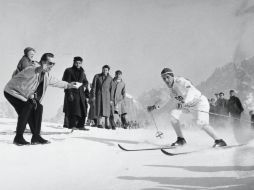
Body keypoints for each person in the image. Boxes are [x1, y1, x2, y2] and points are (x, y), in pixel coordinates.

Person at [4, 53, 79, 145]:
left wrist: (68, 85)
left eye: (53, 64)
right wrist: (39, 69)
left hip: (24, 95)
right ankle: (18, 138)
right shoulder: (32, 68)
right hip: (12, 92)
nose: (52, 66)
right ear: (43, 62)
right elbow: (32, 71)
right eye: (50, 63)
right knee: (27, 108)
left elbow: (56, 82)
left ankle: (36, 136)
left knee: (38, 107)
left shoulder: (46, 75)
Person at [147, 68, 227, 147]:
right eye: (164, 78)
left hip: (200, 103)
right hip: (188, 107)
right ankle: (181, 140)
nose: (166, 80)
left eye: (168, 77)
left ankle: (219, 141)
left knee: (200, 123)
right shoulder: (169, 89)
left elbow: (191, 91)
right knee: (173, 116)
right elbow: (165, 100)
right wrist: (154, 107)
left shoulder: (180, 81)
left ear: (172, 76)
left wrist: (184, 103)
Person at [62, 56, 90, 131]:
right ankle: (72, 125)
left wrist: (84, 86)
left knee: (83, 109)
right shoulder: (68, 70)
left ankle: (81, 125)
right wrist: (69, 93)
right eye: (76, 63)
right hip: (72, 92)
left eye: (79, 63)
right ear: (74, 62)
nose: (78, 64)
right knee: (73, 110)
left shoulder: (82, 72)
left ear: (81, 63)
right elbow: (65, 82)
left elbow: (86, 81)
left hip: (81, 93)